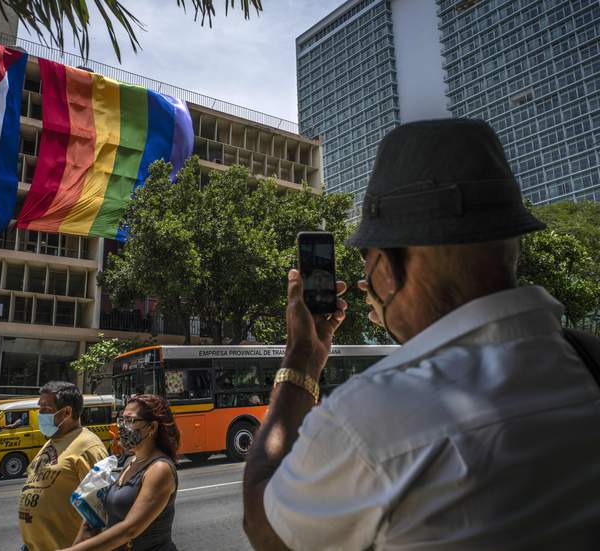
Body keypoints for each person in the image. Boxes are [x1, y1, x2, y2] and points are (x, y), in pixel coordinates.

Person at [243, 119, 600, 550]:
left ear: (386, 268)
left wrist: (302, 355)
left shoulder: (366, 418)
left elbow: (265, 527)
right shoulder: (590, 359)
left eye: (366, 263)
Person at [61, 394, 180, 551]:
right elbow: (95, 520)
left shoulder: (159, 469)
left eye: (130, 420)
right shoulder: (128, 462)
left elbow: (130, 529)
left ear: (152, 427)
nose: (122, 426)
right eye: (121, 420)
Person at [19, 381, 108, 551]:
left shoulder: (89, 447)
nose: (39, 414)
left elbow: (99, 511)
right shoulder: (52, 442)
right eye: (39, 408)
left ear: (67, 412)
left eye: (45, 409)